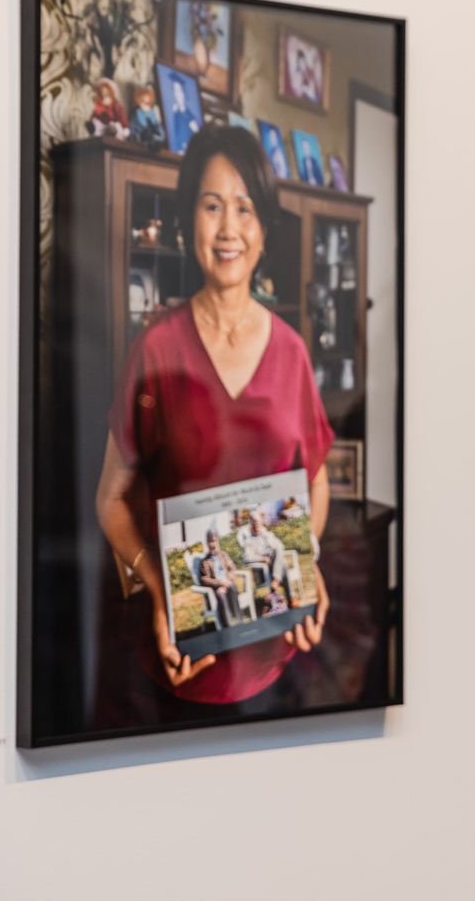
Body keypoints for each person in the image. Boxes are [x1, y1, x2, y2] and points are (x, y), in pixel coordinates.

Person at [95, 124, 334, 706]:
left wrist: (306, 559)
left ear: (263, 228)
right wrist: (159, 589)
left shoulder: (292, 352)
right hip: (179, 661)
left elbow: (316, 481)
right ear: (188, 221)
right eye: (211, 206)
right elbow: (110, 500)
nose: (229, 228)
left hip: (276, 659)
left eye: (245, 208)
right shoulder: (155, 349)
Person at [243, 510, 290, 603]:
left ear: (261, 522)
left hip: (274, 560)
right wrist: (262, 558)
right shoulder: (248, 541)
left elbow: (281, 546)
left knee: (278, 551)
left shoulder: (268, 534)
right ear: (250, 524)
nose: (256, 524)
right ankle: (290, 598)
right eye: (253, 522)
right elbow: (247, 558)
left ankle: (276, 579)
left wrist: (272, 552)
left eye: (257, 521)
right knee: (283, 563)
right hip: (263, 567)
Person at [196, 530, 242, 627]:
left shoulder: (223, 555)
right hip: (216, 589)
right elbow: (205, 579)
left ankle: (240, 622)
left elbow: (232, 569)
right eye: (210, 541)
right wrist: (220, 583)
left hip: (228, 584)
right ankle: (228, 626)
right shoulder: (204, 562)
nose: (213, 544)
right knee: (221, 595)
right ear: (207, 543)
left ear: (218, 542)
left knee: (233, 587)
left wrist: (226, 583)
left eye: (215, 541)